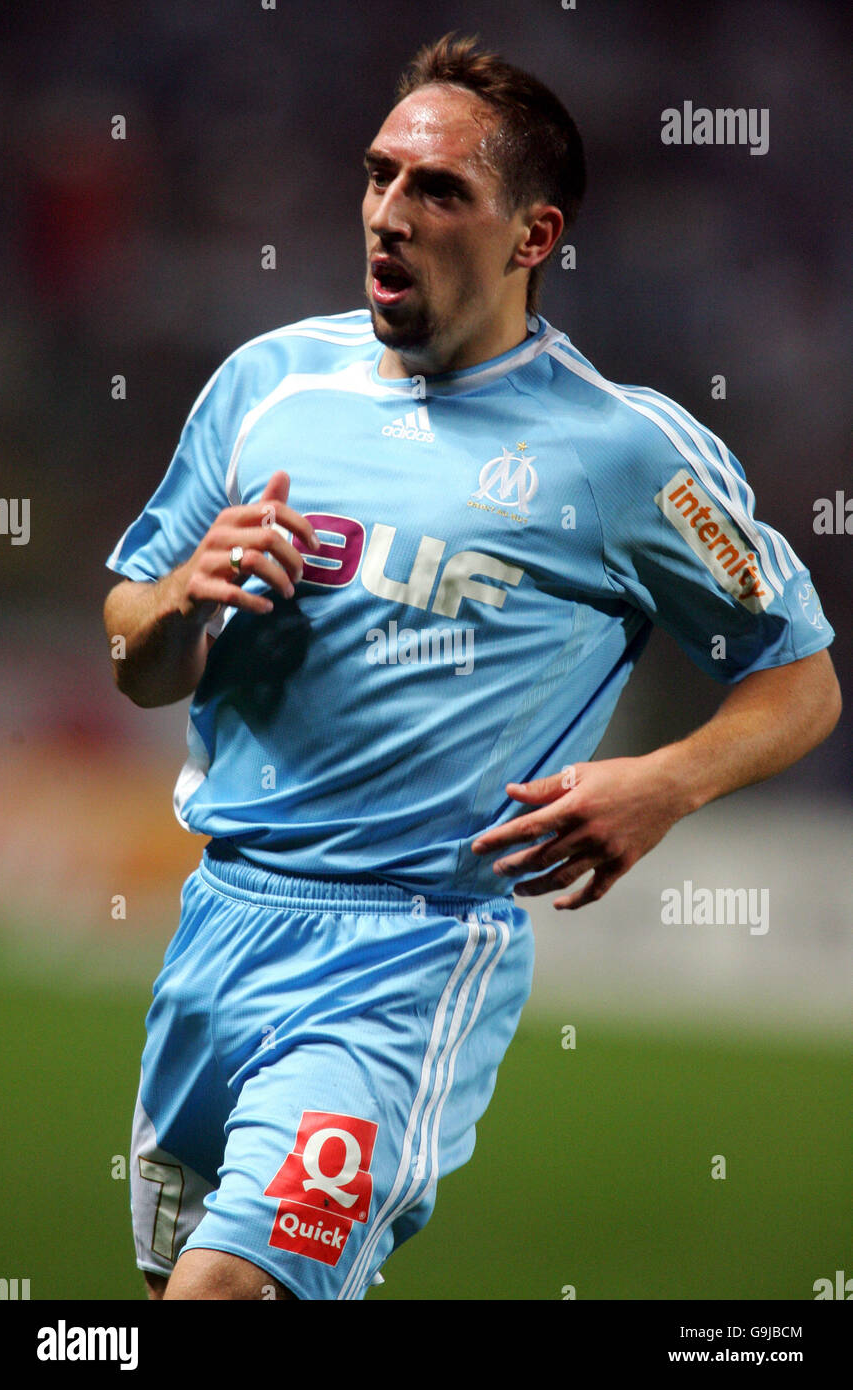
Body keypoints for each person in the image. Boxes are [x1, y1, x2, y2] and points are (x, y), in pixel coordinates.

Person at [103, 33, 840, 1302]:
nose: (389, 215)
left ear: (529, 235)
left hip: (405, 953)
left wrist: (663, 781)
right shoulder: (267, 384)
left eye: (437, 190)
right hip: (217, 921)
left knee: (224, 1292)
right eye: (380, 177)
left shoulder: (618, 452)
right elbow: (135, 656)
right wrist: (179, 595)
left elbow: (799, 675)